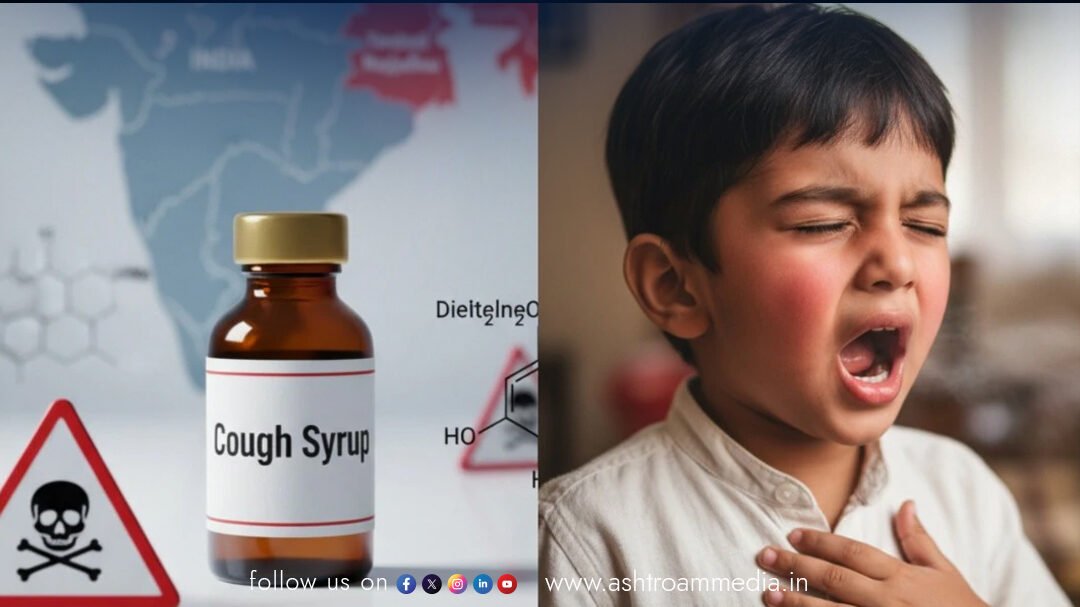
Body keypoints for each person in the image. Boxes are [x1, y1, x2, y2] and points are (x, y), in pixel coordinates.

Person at [539, 5, 1071, 606]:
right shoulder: (585, 539)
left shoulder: (965, 493)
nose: (897, 263)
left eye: (925, 225)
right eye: (823, 223)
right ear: (675, 286)